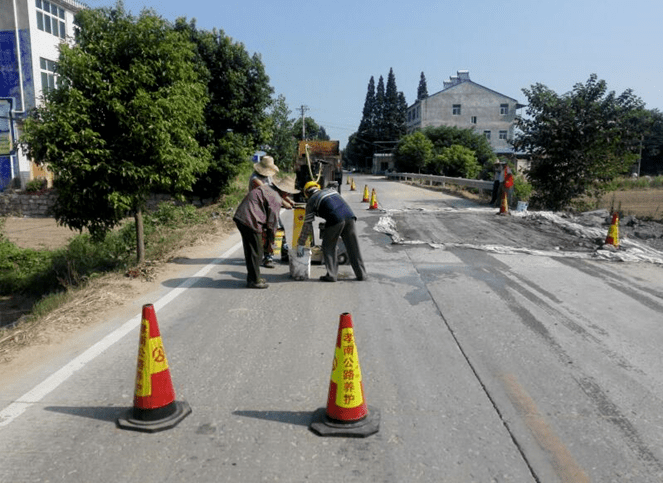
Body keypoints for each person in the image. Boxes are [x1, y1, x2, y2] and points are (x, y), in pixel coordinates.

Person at [234, 177, 299, 288]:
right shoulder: (276, 199)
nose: (288, 194)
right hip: (250, 220)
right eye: (288, 192)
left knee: (251, 250)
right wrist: (270, 244)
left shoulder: (268, 188)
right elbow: (272, 224)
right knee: (257, 252)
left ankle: (254, 278)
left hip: (242, 217)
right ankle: (254, 281)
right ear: (284, 191)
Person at [296, 181, 367, 282]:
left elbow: (307, 225)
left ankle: (332, 275)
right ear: (317, 188)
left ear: (306, 193)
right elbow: (334, 186)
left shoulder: (311, 201)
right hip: (350, 216)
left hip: (336, 219)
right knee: (353, 246)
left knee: (328, 246)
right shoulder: (330, 191)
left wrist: (301, 244)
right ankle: (362, 274)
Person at [248, 155, 293, 268]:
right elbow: (269, 193)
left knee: (280, 229)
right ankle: (268, 256)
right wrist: (284, 203)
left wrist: (289, 200)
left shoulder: (268, 177)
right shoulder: (255, 179)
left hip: (270, 207)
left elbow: (276, 189)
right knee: (269, 230)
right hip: (259, 208)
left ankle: (284, 252)